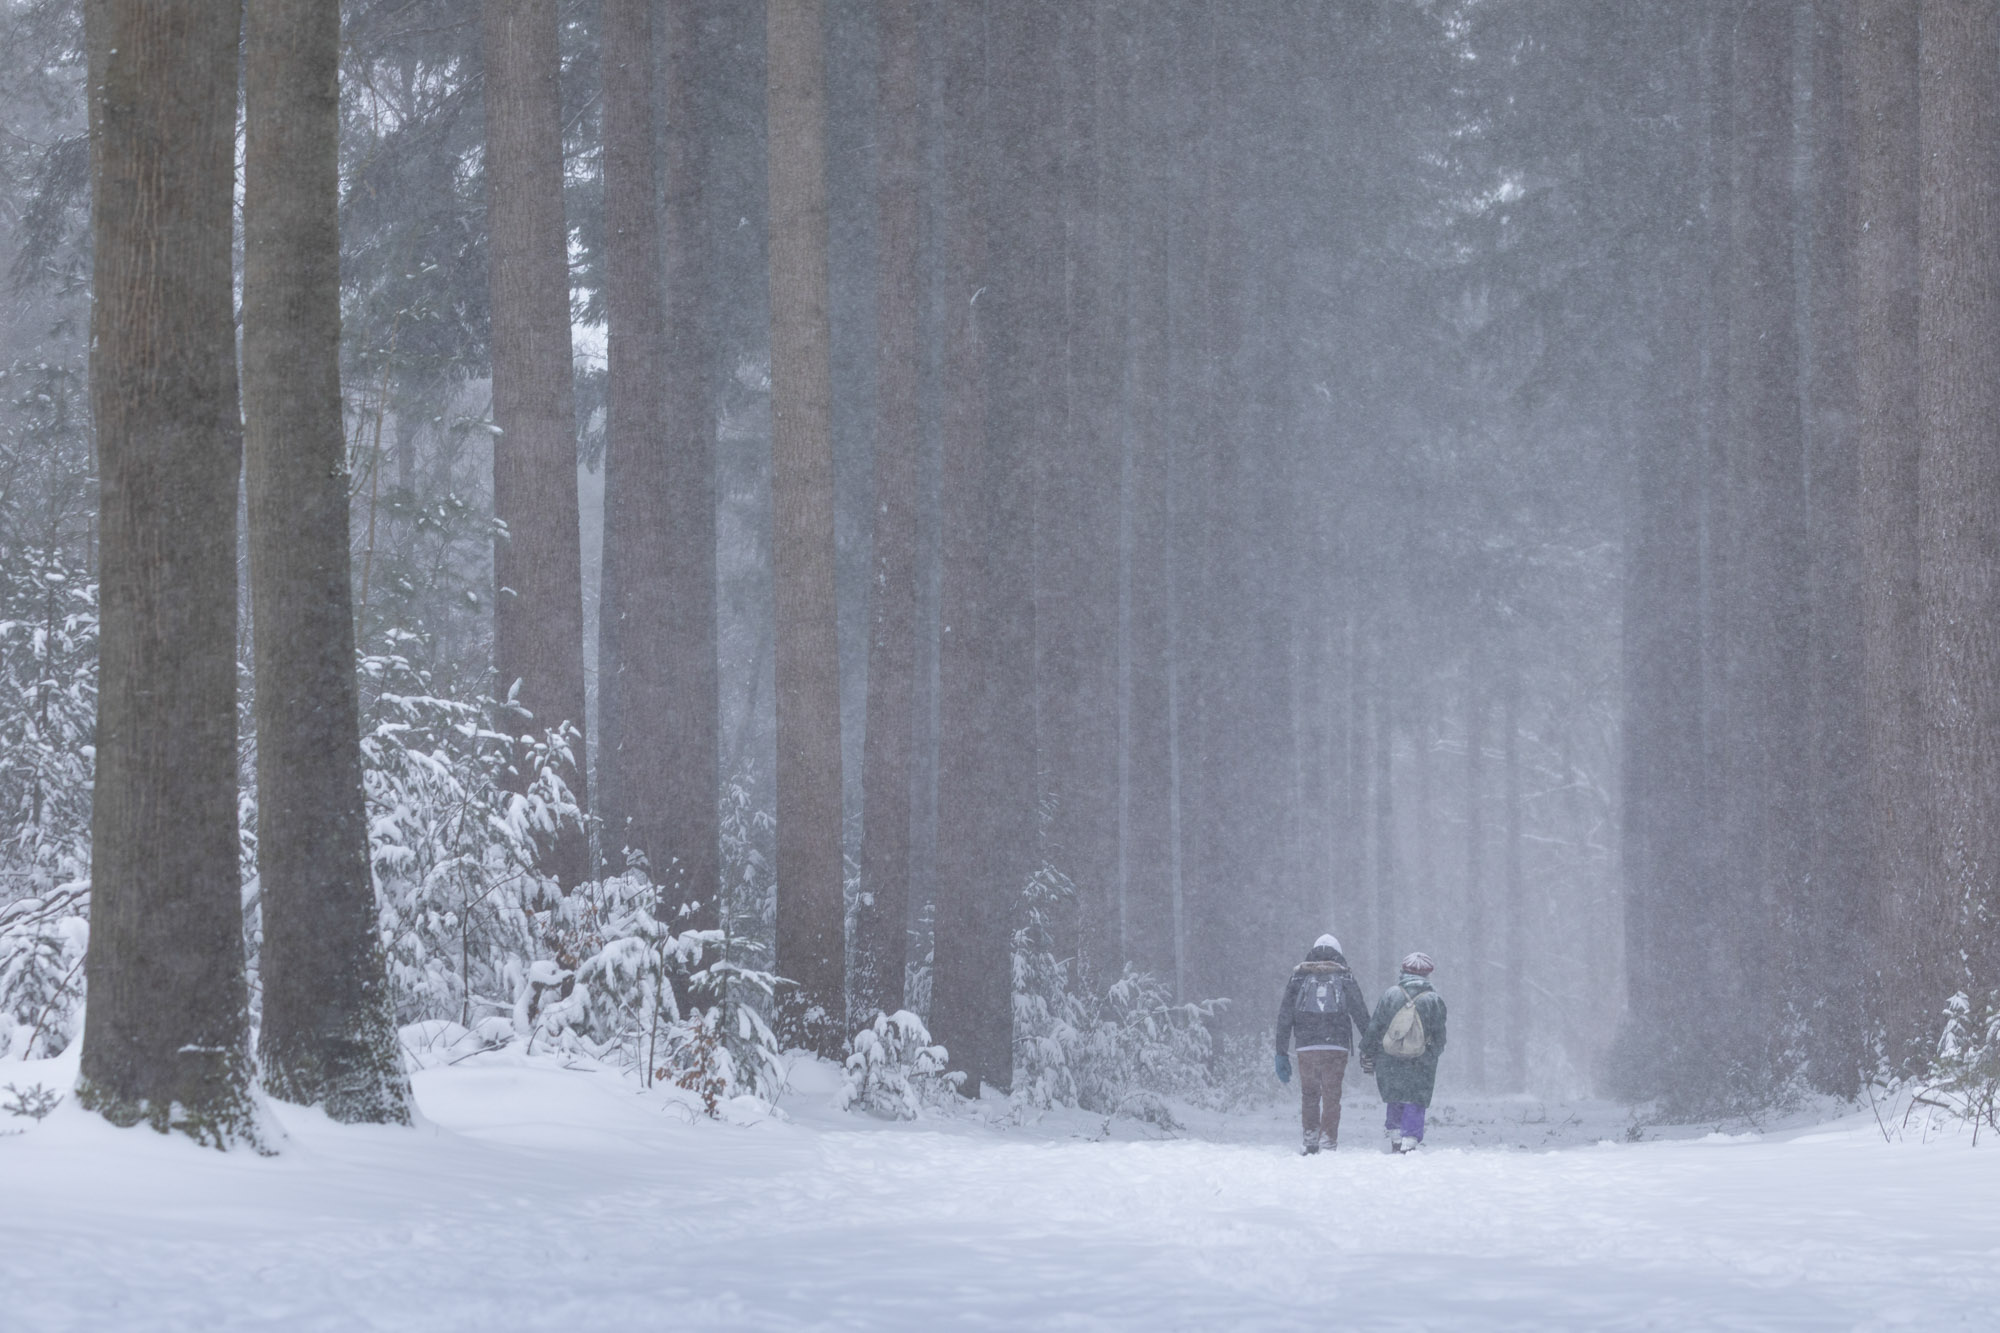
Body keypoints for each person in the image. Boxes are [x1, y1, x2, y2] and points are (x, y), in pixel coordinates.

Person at [1273, 934, 1372, 1154]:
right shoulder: (1344, 975)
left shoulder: (1299, 976)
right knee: (1331, 1094)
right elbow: (1359, 1011)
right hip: (1336, 1045)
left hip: (1306, 1045)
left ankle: (1310, 1139)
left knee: (1309, 1093)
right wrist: (1371, 1042)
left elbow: (1285, 1015)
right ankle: (1328, 1140)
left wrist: (1281, 1051)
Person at [1361, 952, 1447, 1154]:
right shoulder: (1433, 999)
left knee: (1395, 1094)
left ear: (1403, 972)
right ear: (1428, 974)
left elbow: (1376, 1027)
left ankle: (1395, 1135)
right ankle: (1410, 1139)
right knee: (1415, 1097)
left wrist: (1369, 1051)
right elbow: (1440, 1035)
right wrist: (1431, 1053)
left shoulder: (1391, 994)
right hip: (1421, 1059)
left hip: (1389, 1057)